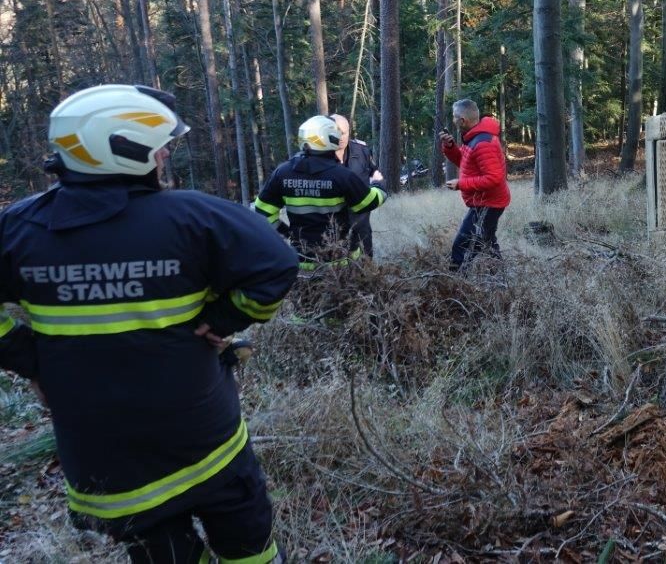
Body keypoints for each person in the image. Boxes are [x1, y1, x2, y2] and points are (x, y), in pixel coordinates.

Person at [0, 84, 298, 563]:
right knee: (249, 550)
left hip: (107, 467)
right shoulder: (194, 217)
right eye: (155, 144)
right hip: (207, 445)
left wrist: (26, 356)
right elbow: (278, 265)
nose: (163, 154)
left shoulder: (19, 230)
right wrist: (223, 318)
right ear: (120, 148)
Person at [255, 115, 386, 268]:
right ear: (329, 139)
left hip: (301, 262)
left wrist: (287, 233)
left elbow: (262, 212)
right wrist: (379, 185)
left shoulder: (282, 172)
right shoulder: (342, 175)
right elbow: (367, 203)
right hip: (339, 266)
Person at [439, 99, 511, 269]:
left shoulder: (483, 143)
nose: (454, 121)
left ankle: (455, 282)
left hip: (489, 203)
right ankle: (501, 280)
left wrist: (461, 184)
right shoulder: (473, 137)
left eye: (455, 117)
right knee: (486, 241)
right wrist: (449, 146)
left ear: (462, 120)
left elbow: (494, 178)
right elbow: (464, 161)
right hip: (484, 201)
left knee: (462, 244)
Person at [332, 114, 384, 257]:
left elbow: (375, 173)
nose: (342, 136)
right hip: (334, 228)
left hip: (361, 223)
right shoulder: (320, 155)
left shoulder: (362, 151)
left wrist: (378, 183)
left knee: (365, 267)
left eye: (345, 132)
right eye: (337, 132)